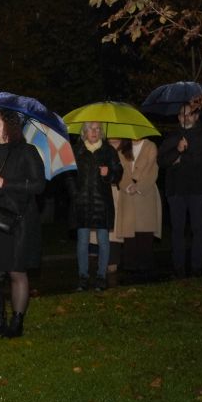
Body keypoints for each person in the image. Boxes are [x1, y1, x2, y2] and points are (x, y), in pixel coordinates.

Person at [0, 109, 44, 337]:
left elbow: (38, 185)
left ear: (8, 127)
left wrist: (5, 183)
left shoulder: (26, 152)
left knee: (16, 272)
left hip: (19, 220)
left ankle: (17, 323)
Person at [159, 98, 202, 278]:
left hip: (198, 189)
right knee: (177, 230)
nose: (186, 117)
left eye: (190, 114)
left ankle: (197, 267)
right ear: (178, 117)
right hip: (175, 190)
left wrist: (182, 157)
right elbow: (161, 161)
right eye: (183, 114)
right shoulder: (172, 138)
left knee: (197, 229)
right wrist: (176, 150)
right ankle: (178, 268)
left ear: (196, 116)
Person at [69, 122, 123, 291]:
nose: (94, 131)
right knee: (82, 241)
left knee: (103, 241)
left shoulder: (109, 151)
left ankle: (101, 277)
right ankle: (83, 277)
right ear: (84, 132)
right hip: (82, 202)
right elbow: (68, 175)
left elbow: (118, 173)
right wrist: (75, 194)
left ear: (101, 132)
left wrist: (109, 174)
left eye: (97, 128)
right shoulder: (76, 150)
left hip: (102, 202)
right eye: (90, 128)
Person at [111, 136, 161, 282]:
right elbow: (120, 170)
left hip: (145, 194)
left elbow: (152, 170)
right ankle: (130, 268)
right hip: (127, 194)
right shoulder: (123, 148)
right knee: (129, 232)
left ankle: (144, 267)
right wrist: (127, 185)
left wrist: (138, 186)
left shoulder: (150, 146)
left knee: (145, 231)